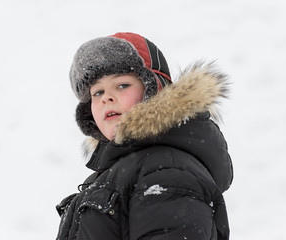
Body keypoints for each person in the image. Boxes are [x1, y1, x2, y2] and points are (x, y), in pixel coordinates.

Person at [55, 32, 233, 240]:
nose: (107, 98)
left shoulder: (168, 170)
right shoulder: (123, 172)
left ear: (155, 88)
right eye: (97, 92)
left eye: (122, 85)